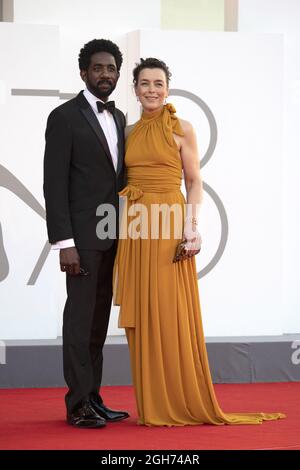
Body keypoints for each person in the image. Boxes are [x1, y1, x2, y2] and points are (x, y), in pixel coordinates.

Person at [113, 57, 286, 426]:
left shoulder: (183, 129)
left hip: (170, 223)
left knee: (168, 310)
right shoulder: (126, 133)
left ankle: (178, 398)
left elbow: (193, 181)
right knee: (143, 314)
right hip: (139, 226)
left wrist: (191, 226)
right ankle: (152, 401)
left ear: (168, 87)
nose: (152, 90)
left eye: (158, 83)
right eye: (144, 83)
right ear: (135, 89)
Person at [43, 39, 129, 428]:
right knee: (79, 323)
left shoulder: (121, 118)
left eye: (111, 68)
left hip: (113, 237)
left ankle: (93, 397)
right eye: (98, 68)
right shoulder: (63, 117)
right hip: (80, 241)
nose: (105, 75)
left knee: (97, 324)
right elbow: (54, 184)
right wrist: (65, 243)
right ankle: (77, 404)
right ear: (83, 73)